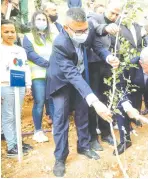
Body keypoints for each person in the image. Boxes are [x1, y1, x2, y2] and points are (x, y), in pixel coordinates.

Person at [46, 7, 119, 177]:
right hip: (61, 82)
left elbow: (97, 46)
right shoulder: (60, 43)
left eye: (86, 29)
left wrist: (108, 57)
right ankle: (60, 158)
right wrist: (94, 100)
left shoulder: (86, 29)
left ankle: (84, 146)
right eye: (79, 30)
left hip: (80, 77)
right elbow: (70, 73)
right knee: (61, 118)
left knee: (83, 113)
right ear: (66, 28)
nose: (84, 33)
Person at [87, 1, 122, 150]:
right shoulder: (94, 17)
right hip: (93, 65)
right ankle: (92, 137)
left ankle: (106, 132)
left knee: (107, 98)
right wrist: (106, 28)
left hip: (107, 64)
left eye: (116, 14)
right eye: (112, 12)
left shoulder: (118, 22)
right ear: (106, 9)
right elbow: (96, 28)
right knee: (93, 100)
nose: (114, 16)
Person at [1, 19, 33, 157]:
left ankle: (17, 142)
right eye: (6, 31)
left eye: (12, 31)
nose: (10, 34)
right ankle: (11, 146)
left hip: (19, 85)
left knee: (17, 114)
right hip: (5, 86)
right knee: (8, 115)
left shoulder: (20, 50)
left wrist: (28, 85)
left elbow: (25, 67)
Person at [22, 11, 56, 142]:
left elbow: (57, 51)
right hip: (37, 75)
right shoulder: (28, 36)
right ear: (33, 21)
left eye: (44, 19)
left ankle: (55, 128)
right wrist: (47, 63)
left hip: (52, 74)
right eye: (39, 19)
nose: (41, 22)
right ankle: (38, 130)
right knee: (39, 102)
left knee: (52, 100)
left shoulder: (51, 37)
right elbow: (30, 54)